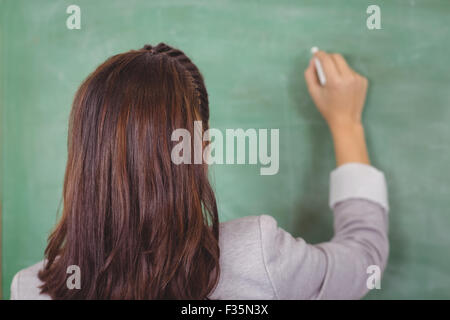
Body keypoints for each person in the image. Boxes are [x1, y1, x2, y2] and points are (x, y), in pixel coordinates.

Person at [10, 43, 388, 299]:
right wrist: (346, 124)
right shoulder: (256, 255)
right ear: (200, 150)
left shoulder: (28, 289)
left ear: (83, 156)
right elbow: (365, 259)